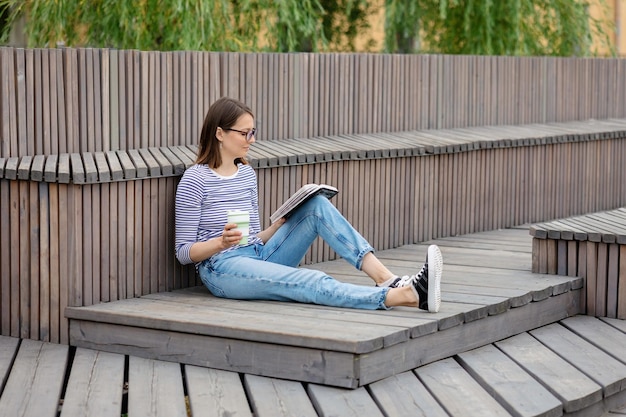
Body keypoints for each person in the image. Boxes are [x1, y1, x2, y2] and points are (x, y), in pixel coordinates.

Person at [175, 97, 443, 312]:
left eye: (253, 132)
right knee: (309, 279)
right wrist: (220, 243)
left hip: (257, 254)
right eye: (245, 133)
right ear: (220, 134)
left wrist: (278, 226)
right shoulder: (195, 180)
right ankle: (403, 296)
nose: (252, 140)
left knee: (316, 205)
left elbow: (251, 238)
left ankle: (386, 277)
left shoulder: (246, 173)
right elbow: (184, 252)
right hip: (221, 269)